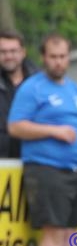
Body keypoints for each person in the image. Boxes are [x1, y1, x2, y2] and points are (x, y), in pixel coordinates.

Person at [8, 33, 77, 246]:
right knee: (53, 231)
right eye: (53, 57)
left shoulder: (74, 89)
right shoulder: (31, 88)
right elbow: (15, 126)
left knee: (71, 231)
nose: (59, 62)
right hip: (45, 169)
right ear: (44, 58)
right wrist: (53, 131)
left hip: (73, 170)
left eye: (63, 56)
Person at [0, 30, 37, 158]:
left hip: (33, 160)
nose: (8, 56)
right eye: (3, 52)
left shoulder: (39, 84)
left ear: (23, 52)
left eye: (13, 51)